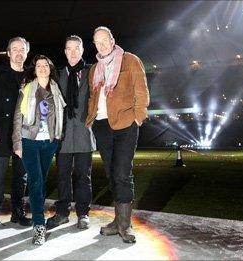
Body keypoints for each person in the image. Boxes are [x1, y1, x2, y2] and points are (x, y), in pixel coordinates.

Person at [85, 26, 150, 243]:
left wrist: (137, 118)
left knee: (122, 173)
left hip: (125, 124)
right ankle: (117, 220)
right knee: (112, 174)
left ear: (113, 40)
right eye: (97, 42)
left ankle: (125, 225)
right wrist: (91, 118)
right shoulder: (94, 69)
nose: (102, 45)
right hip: (102, 126)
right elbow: (93, 97)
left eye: (105, 40)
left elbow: (141, 91)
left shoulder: (130, 60)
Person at [12, 54, 66, 245]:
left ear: (50, 69)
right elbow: (18, 117)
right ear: (34, 70)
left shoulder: (56, 90)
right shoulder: (27, 89)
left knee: (41, 182)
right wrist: (17, 143)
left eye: (46, 65)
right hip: (29, 141)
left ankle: (37, 214)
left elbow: (60, 116)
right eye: (39, 65)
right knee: (35, 182)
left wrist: (57, 135)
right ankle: (39, 226)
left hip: (48, 143)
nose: (42, 68)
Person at [0, 37, 32, 230]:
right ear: (9, 53)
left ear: (26, 53)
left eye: (22, 49)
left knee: (22, 176)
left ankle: (17, 213)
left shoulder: (31, 75)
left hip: (24, 133)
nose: (19, 52)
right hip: (0, 132)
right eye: (15, 49)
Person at [46, 35, 96, 230]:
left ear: (82, 50)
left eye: (77, 48)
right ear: (65, 52)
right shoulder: (58, 75)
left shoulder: (91, 72)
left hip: (84, 133)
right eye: (69, 48)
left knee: (84, 176)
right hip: (63, 135)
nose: (73, 52)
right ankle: (62, 212)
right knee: (63, 176)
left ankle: (83, 213)